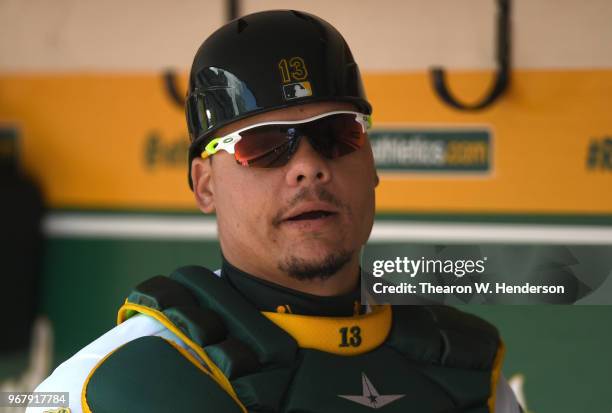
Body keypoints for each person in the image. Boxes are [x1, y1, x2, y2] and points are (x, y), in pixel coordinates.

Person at [29, 10, 521, 413]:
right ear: (205, 186)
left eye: (337, 135)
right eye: (262, 146)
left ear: (370, 163)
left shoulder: (469, 368)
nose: (309, 167)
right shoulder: (103, 384)